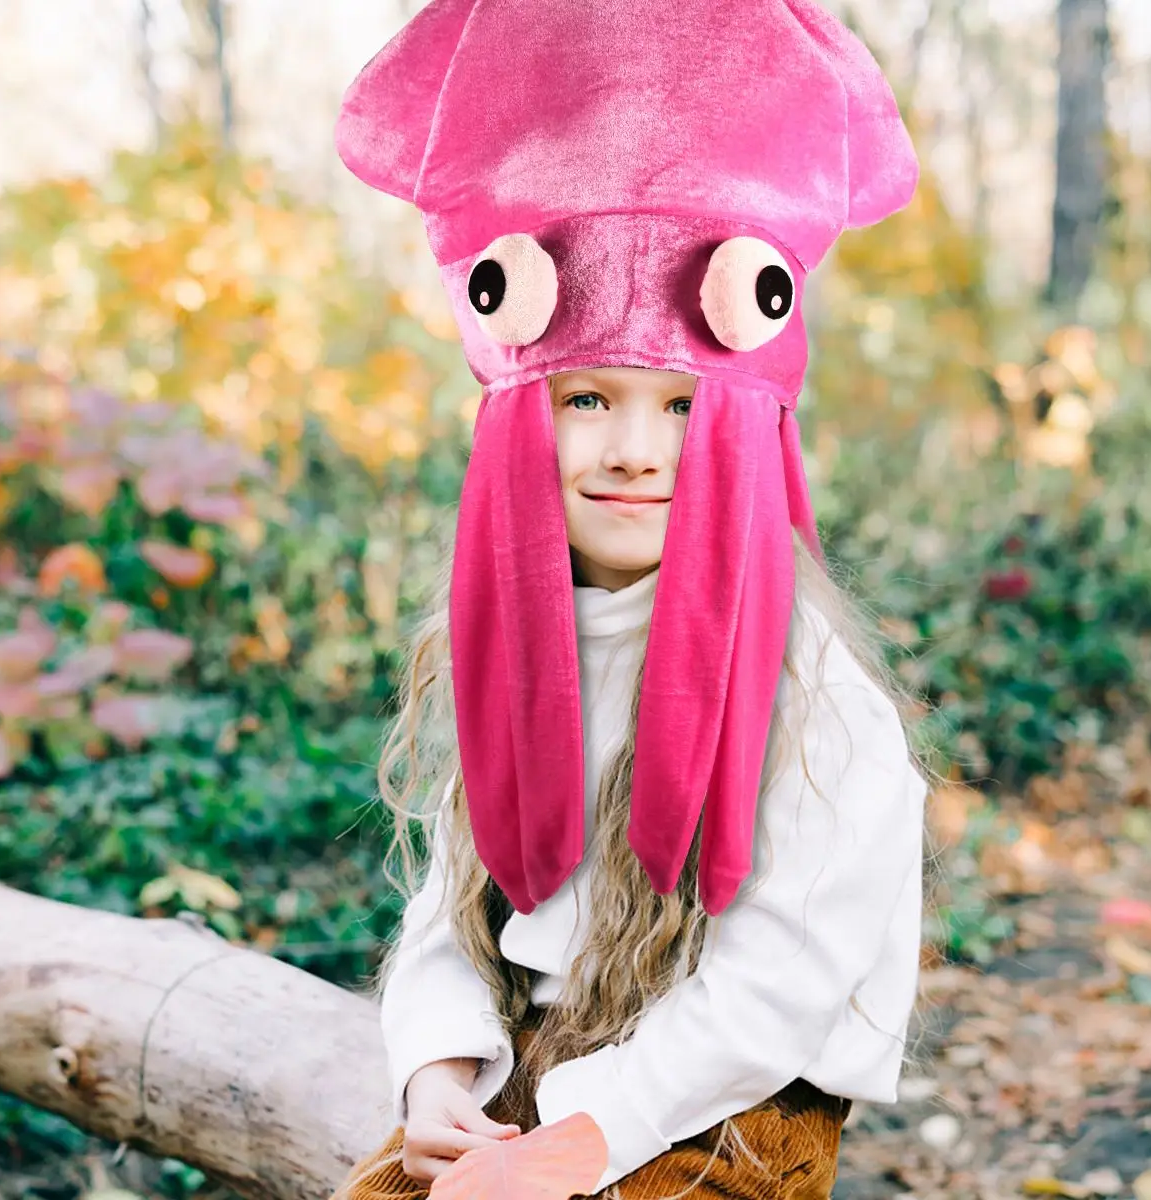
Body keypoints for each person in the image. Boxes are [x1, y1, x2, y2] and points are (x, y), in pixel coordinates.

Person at [329, 2, 936, 1197]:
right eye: (588, 401)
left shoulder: (812, 691)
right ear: (520, 417)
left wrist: (584, 1140)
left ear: (745, 425)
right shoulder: (506, 648)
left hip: (731, 1117)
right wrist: (438, 1076)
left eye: (676, 405)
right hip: (527, 1085)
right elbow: (452, 910)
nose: (635, 452)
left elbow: (782, 980)